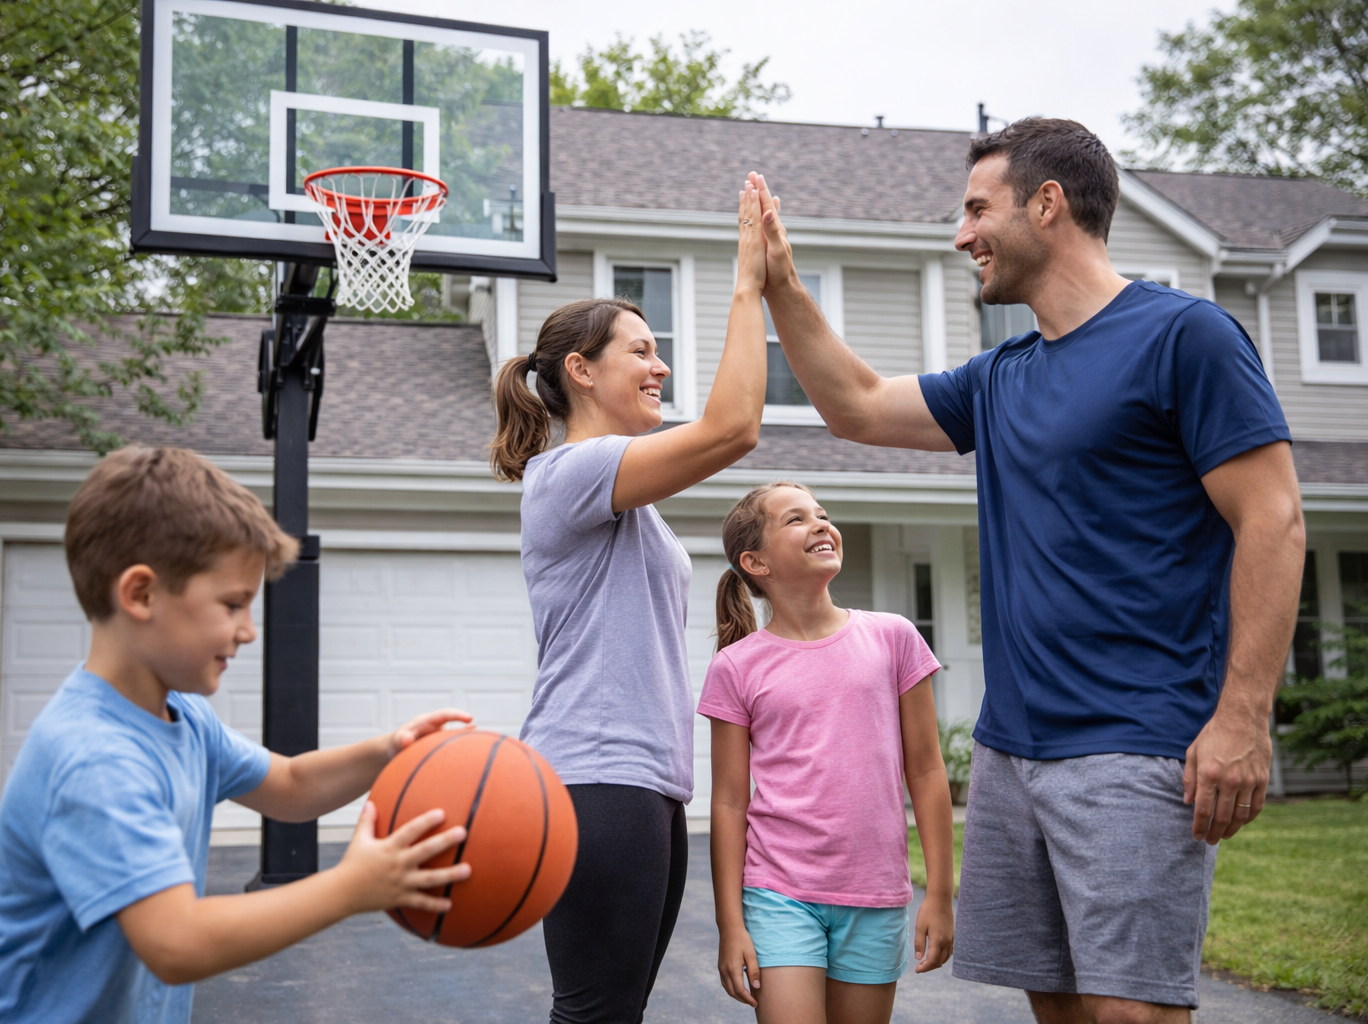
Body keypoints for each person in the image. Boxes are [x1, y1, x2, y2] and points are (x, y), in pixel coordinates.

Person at [750, 118, 1305, 1024]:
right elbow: (853, 405)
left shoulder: (1184, 337)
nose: (962, 234)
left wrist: (1243, 715)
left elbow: (1274, 522)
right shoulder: (1002, 376)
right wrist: (781, 284)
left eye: (977, 209)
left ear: (1047, 205)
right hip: (1013, 754)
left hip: (1136, 741)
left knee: (1131, 1013)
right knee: (1058, 1009)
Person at [0, 446, 473, 1024]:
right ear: (140, 594)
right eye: (233, 604)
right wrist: (352, 887)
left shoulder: (181, 717)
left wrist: (388, 751)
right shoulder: (95, 757)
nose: (249, 631)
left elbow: (288, 784)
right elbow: (176, 943)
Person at [488, 181, 770, 1022]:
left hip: (639, 784)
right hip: (593, 779)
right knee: (597, 1014)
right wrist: (748, 284)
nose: (660, 366)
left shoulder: (623, 494)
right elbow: (734, 428)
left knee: (614, 1014)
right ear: (581, 370)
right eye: (641, 351)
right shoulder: (570, 474)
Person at [700, 482, 954, 1024]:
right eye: (795, 520)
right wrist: (731, 925)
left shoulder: (894, 638)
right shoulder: (736, 667)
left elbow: (928, 770)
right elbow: (727, 802)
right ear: (756, 561)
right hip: (778, 891)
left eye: (821, 514)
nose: (820, 523)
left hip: (875, 893)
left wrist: (940, 892)